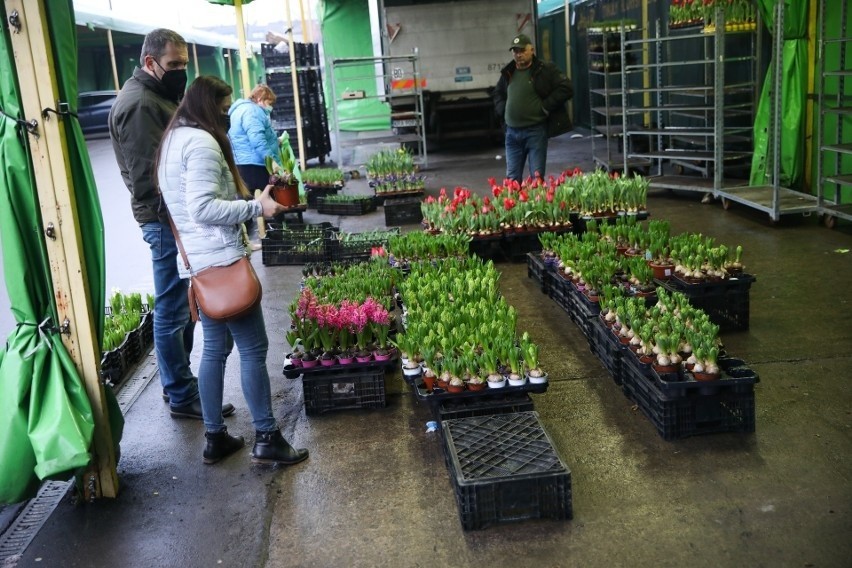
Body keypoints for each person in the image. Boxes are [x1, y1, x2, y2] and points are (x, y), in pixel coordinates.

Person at [155, 75, 310, 467]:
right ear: (209, 107)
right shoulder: (201, 142)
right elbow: (203, 208)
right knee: (254, 349)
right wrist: (258, 208)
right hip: (222, 260)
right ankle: (268, 437)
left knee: (214, 350)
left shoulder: (172, 141)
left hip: (199, 263)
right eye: (224, 111)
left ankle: (215, 438)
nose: (227, 119)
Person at [108, 28, 235, 420]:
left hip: (173, 221)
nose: (182, 71)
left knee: (182, 305)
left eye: (184, 63)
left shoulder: (157, 95)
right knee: (173, 309)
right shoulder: (141, 105)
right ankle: (180, 394)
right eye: (175, 64)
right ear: (151, 62)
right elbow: (150, 180)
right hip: (166, 223)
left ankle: (178, 386)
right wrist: (189, 216)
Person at [492, 33, 573, 183]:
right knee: (512, 181)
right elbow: (497, 93)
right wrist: (503, 110)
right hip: (512, 134)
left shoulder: (545, 69)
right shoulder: (508, 72)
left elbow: (566, 88)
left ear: (532, 50)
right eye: (515, 51)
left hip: (535, 132)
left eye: (522, 50)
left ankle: (536, 207)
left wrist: (545, 106)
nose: (519, 54)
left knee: (536, 180)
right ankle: (516, 206)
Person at [228, 84, 281, 250]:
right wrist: (271, 160)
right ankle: (278, 236)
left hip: (243, 163)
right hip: (256, 163)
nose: (269, 106)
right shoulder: (252, 111)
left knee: (245, 202)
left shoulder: (239, 110)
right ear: (260, 99)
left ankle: (244, 241)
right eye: (268, 101)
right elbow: (257, 139)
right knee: (275, 193)